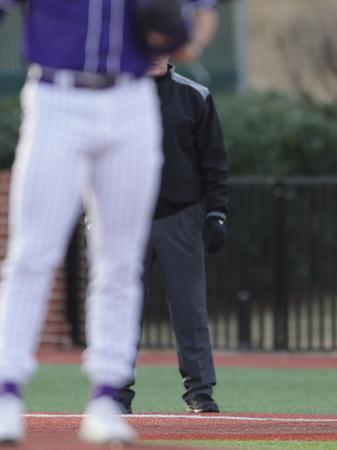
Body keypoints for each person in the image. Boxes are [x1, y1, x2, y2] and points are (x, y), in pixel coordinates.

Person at [0, 0, 218, 445]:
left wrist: (181, 34)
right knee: (30, 255)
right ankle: (6, 393)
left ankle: (106, 399)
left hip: (130, 100)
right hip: (56, 98)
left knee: (119, 261)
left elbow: (199, 20)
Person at [116, 55, 228, 415]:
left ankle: (200, 392)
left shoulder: (195, 96)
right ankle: (115, 392)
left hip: (180, 217)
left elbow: (214, 161)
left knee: (188, 309)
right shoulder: (116, 95)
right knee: (119, 307)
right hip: (123, 219)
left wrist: (216, 214)